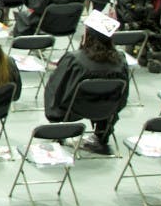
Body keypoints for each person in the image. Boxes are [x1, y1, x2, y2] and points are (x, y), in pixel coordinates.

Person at [43, 12, 129, 155]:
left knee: (55, 84)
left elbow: (57, 88)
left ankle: (59, 131)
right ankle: (103, 132)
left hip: (76, 109)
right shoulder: (120, 60)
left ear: (87, 35)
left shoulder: (74, 60)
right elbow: (123, 95)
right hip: (107, 110)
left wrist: (54, 114)